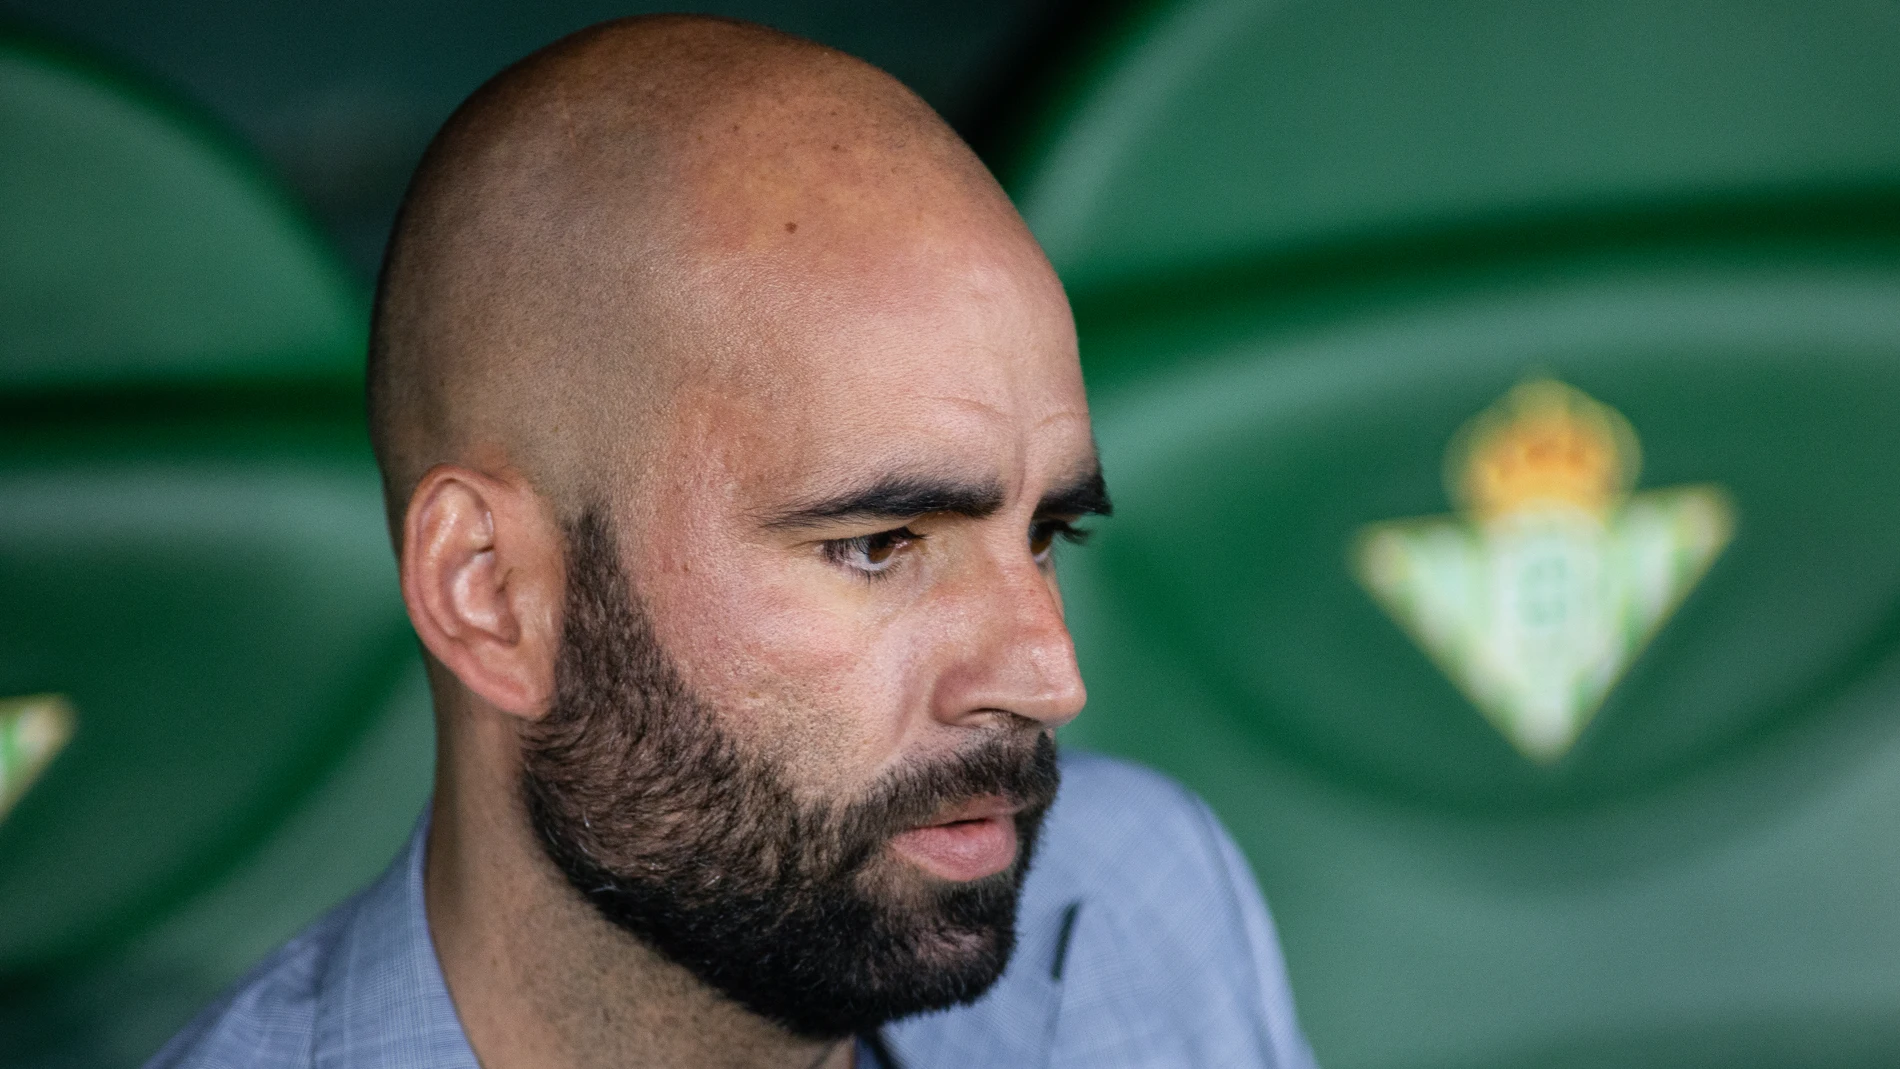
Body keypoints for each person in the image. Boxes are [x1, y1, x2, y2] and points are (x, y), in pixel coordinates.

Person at [150, 15, 1315, 1069]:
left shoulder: (1134, 899)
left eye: (1046, 530)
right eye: (878, 544)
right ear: (490, 591)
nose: (1049, 678)